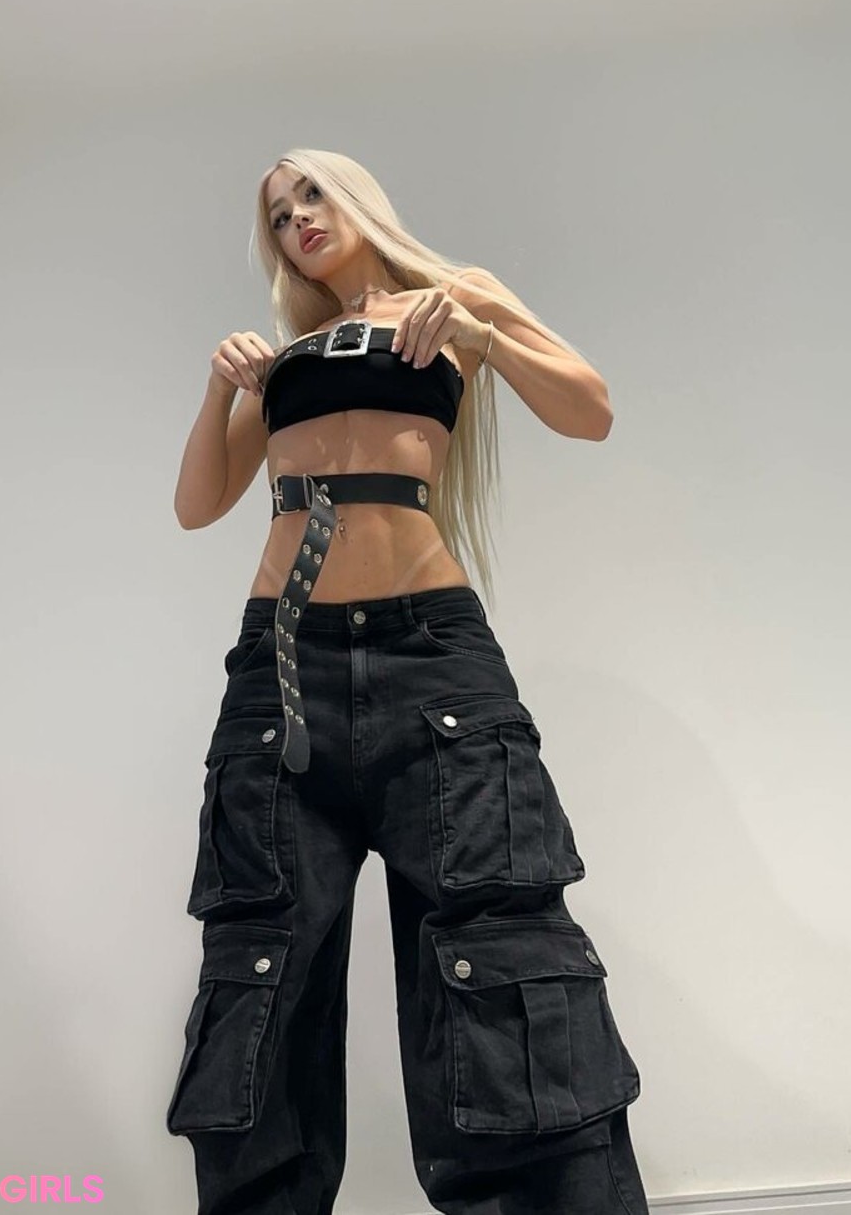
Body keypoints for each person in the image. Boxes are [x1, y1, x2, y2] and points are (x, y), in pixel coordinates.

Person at [166, 148, 650, 1215]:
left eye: (310, 193)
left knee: (498, 956)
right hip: (279, 673)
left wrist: (481, 334)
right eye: (277, 213)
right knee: (261, 971)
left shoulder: (456, 297)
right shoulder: (284, 359)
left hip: (433, 662)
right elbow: (198, 505)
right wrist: (220, 387)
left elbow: (592, 408)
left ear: (355, 196)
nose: (297, 218)